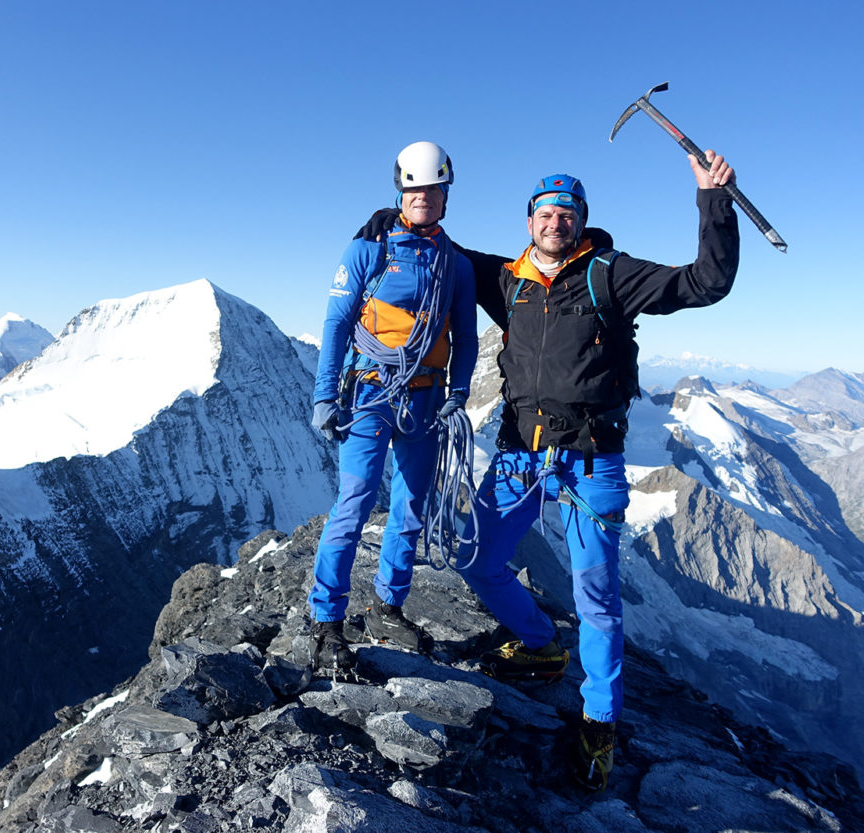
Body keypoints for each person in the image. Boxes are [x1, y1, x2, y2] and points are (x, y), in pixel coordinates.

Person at [356, 150, 739, 790]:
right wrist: (396, 222)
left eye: (566, 214)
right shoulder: (508, 279)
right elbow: (445, 253)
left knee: (597, 600)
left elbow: (705, 282)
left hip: (592, 460)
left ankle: (599, 722)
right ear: (529, 221)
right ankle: (539, 644)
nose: (555, 222)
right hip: (518, 455)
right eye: (545, 213)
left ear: (580, 222)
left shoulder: (610, 275)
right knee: (478, 560)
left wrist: (713, 200)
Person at [309, 141, 478, 675]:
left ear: (445, 193)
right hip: (371, 390)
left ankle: (387, 606)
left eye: (432, 188)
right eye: (415, 188)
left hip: (426, 397)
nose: (423, 197)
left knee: (410, 508)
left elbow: (467, 337)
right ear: (401, 191)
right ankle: (326, 620)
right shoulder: (368, 250)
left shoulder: (456, 264)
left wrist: (458, 392)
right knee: (355, 502)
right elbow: (338, 324)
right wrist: (323, 393)